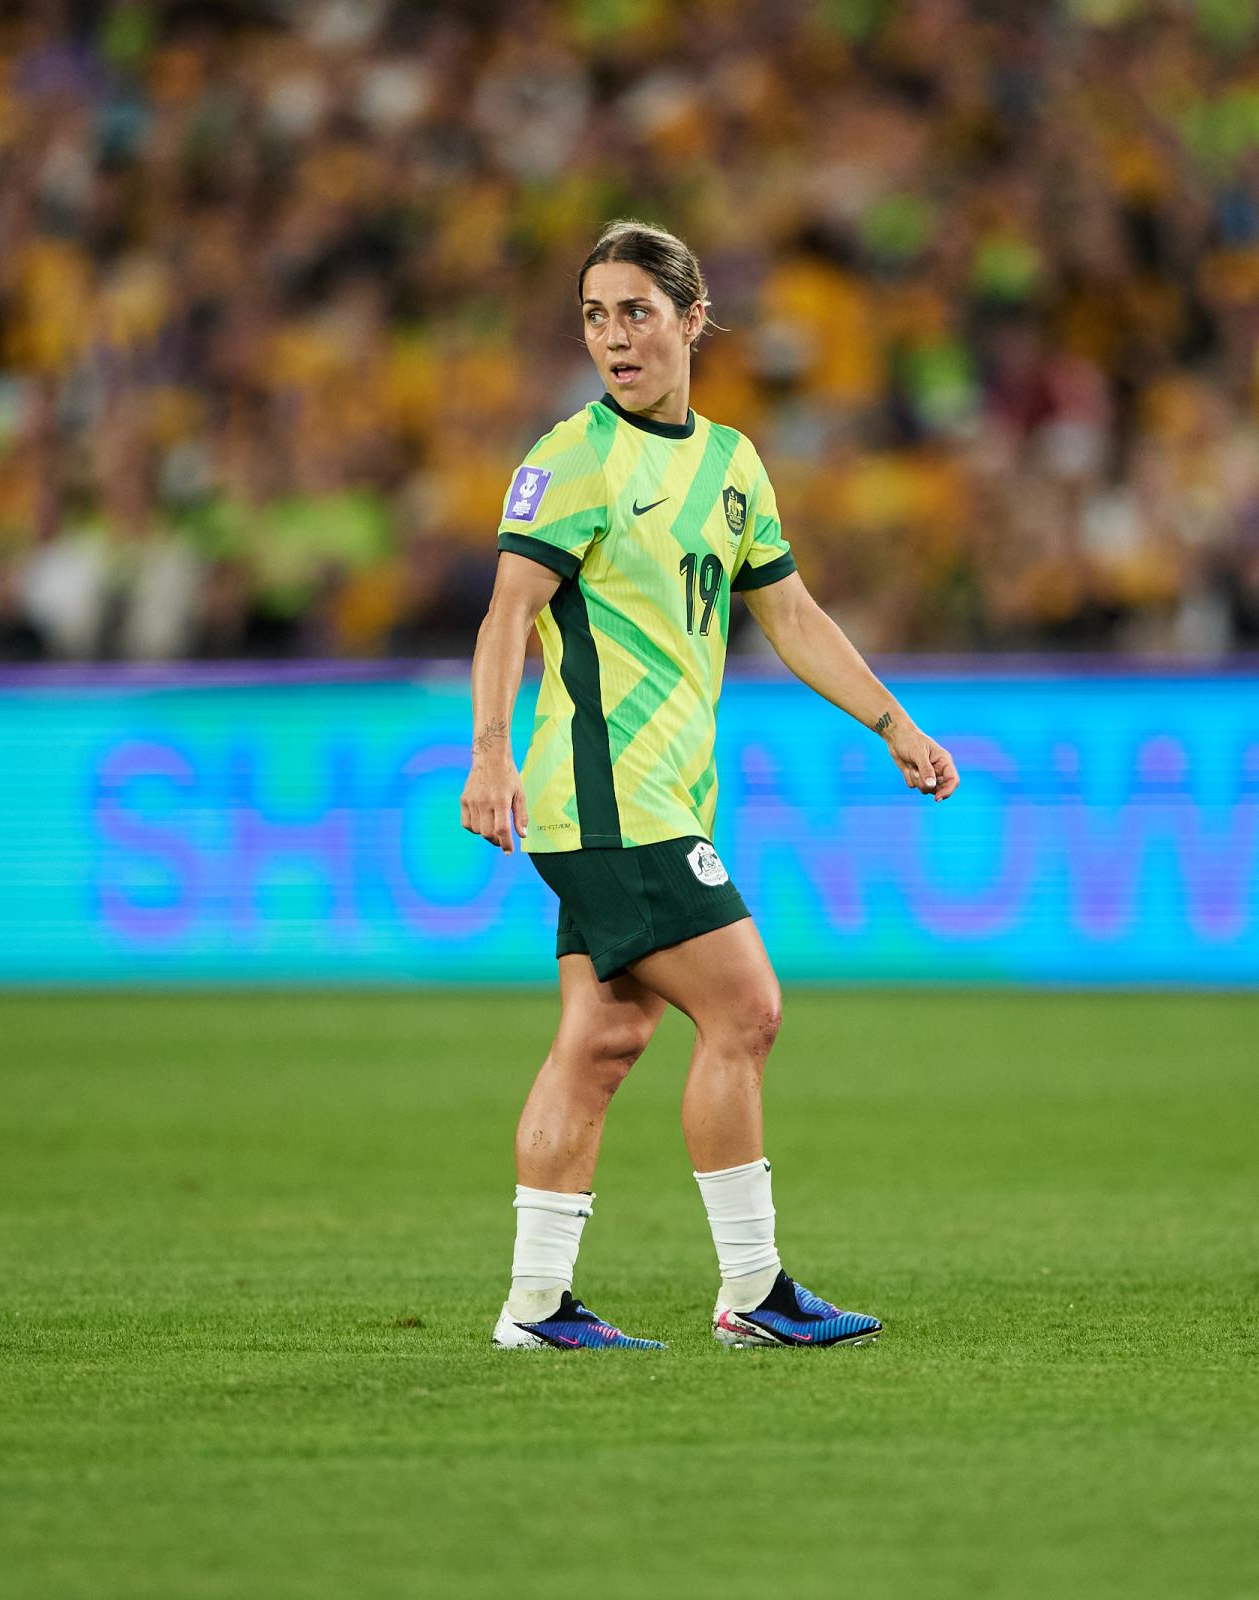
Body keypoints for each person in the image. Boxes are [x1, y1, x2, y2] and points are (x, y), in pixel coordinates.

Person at [460, 220, 960, 1350]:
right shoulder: (573, 460)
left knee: (600, 1040)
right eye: (594, 315)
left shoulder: (732, 464)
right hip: (606, 797)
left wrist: (892, 720)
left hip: (664, 797)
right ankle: (753, 1288)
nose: (612, 337)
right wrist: (490, 752)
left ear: (693, 320)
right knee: (747, 1006)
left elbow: (788, 611)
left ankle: (537, 1305)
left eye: (634, 311)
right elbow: (507, 614)